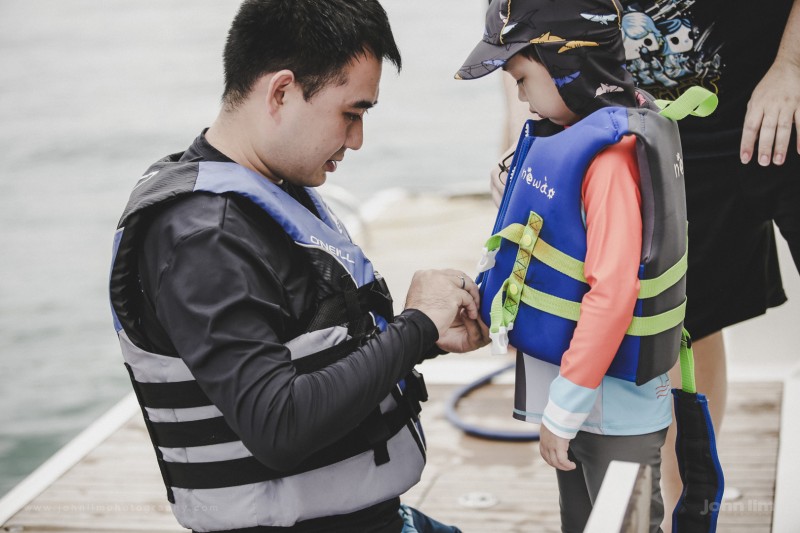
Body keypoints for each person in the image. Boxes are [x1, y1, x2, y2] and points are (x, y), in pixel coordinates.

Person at [108, 1, 488, 531]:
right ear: (281, 91)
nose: (356, 139)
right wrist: (416, 323)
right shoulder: (203, 238)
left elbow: (308, 350)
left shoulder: (270, 190)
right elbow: (279, 426)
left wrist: (422, 339)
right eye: (351, 113)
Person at [491, 1, 800, 529]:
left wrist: (792, 65)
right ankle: (684, 506)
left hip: (767, 89)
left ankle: (685, 502)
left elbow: (608, 297)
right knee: (685, 311)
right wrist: (524, 132)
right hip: (622, 109)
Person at [456, 0, 688, 530]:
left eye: (522, 79)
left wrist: (562, 412)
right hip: (581, 405)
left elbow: (612, 295)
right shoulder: (574, 140)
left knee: (623, 523)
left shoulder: (609, 164)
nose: (520, 96)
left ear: (565, 62)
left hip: (613, 415)